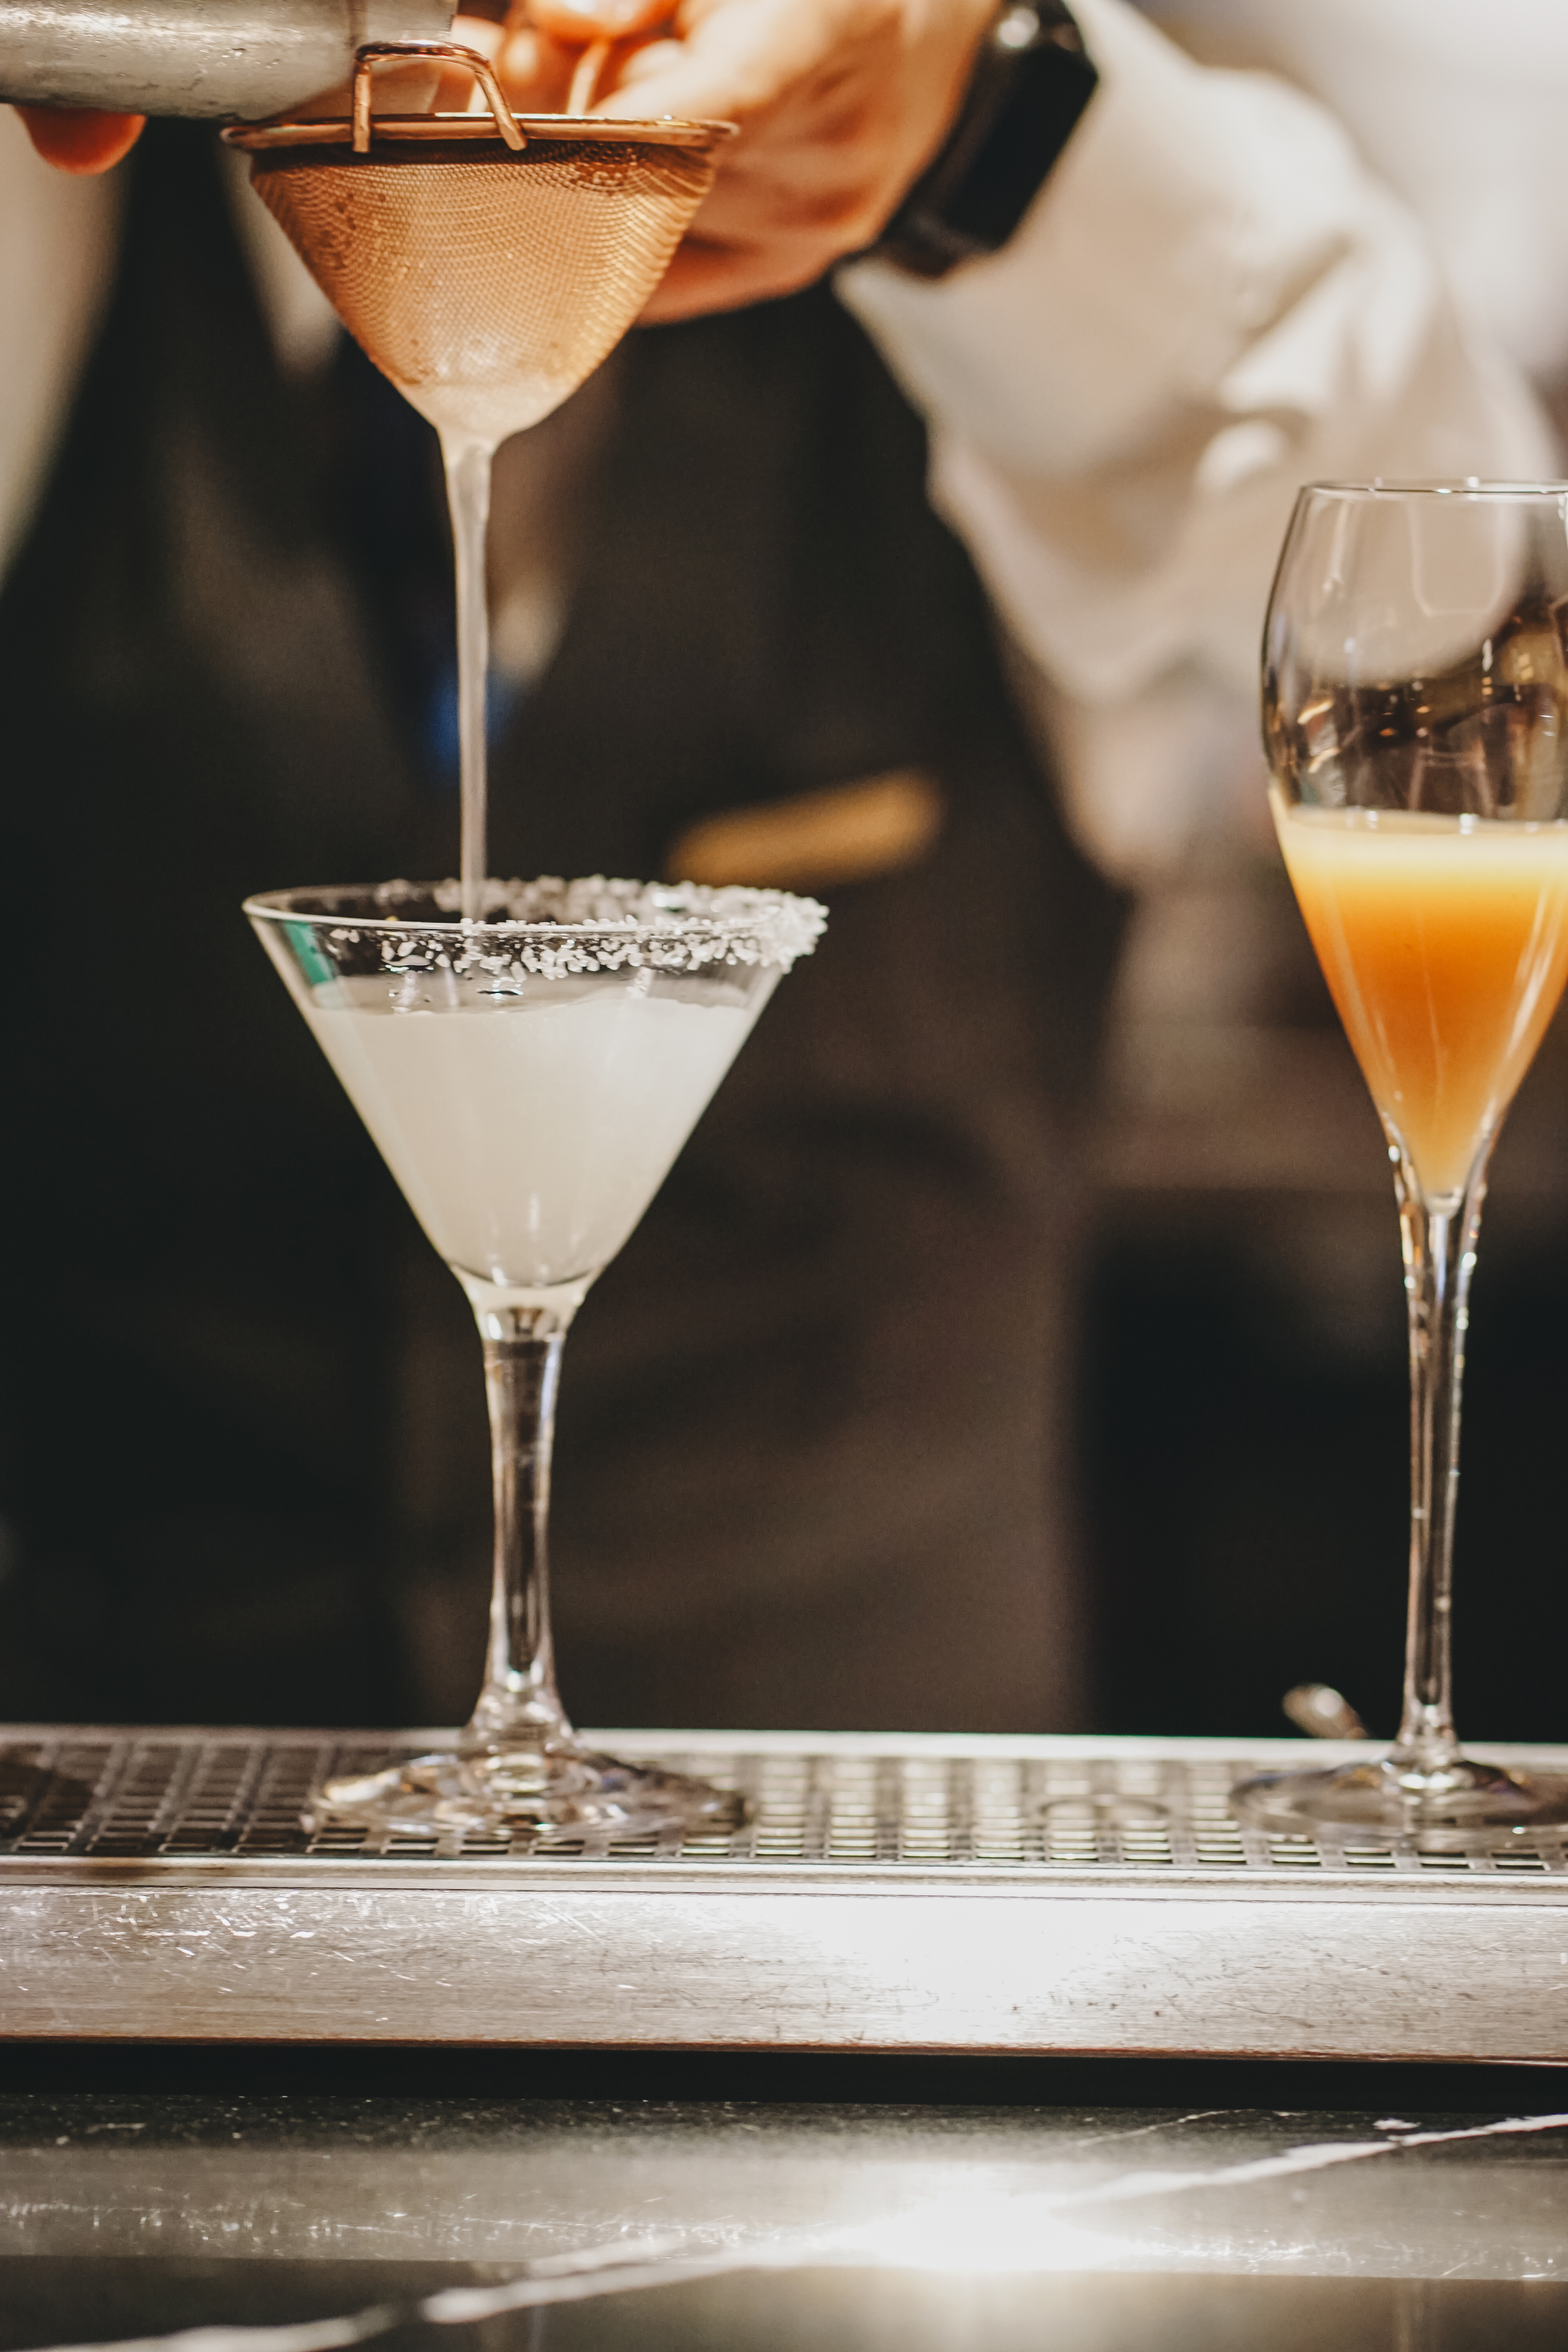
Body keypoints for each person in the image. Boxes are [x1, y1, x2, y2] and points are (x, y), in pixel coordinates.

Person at [0, 0, 1551, 1737]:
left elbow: (1445, 601)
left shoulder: (975, 149)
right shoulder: (49, 211)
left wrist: (990, 127)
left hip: (865, 1840)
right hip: (116, 1832)